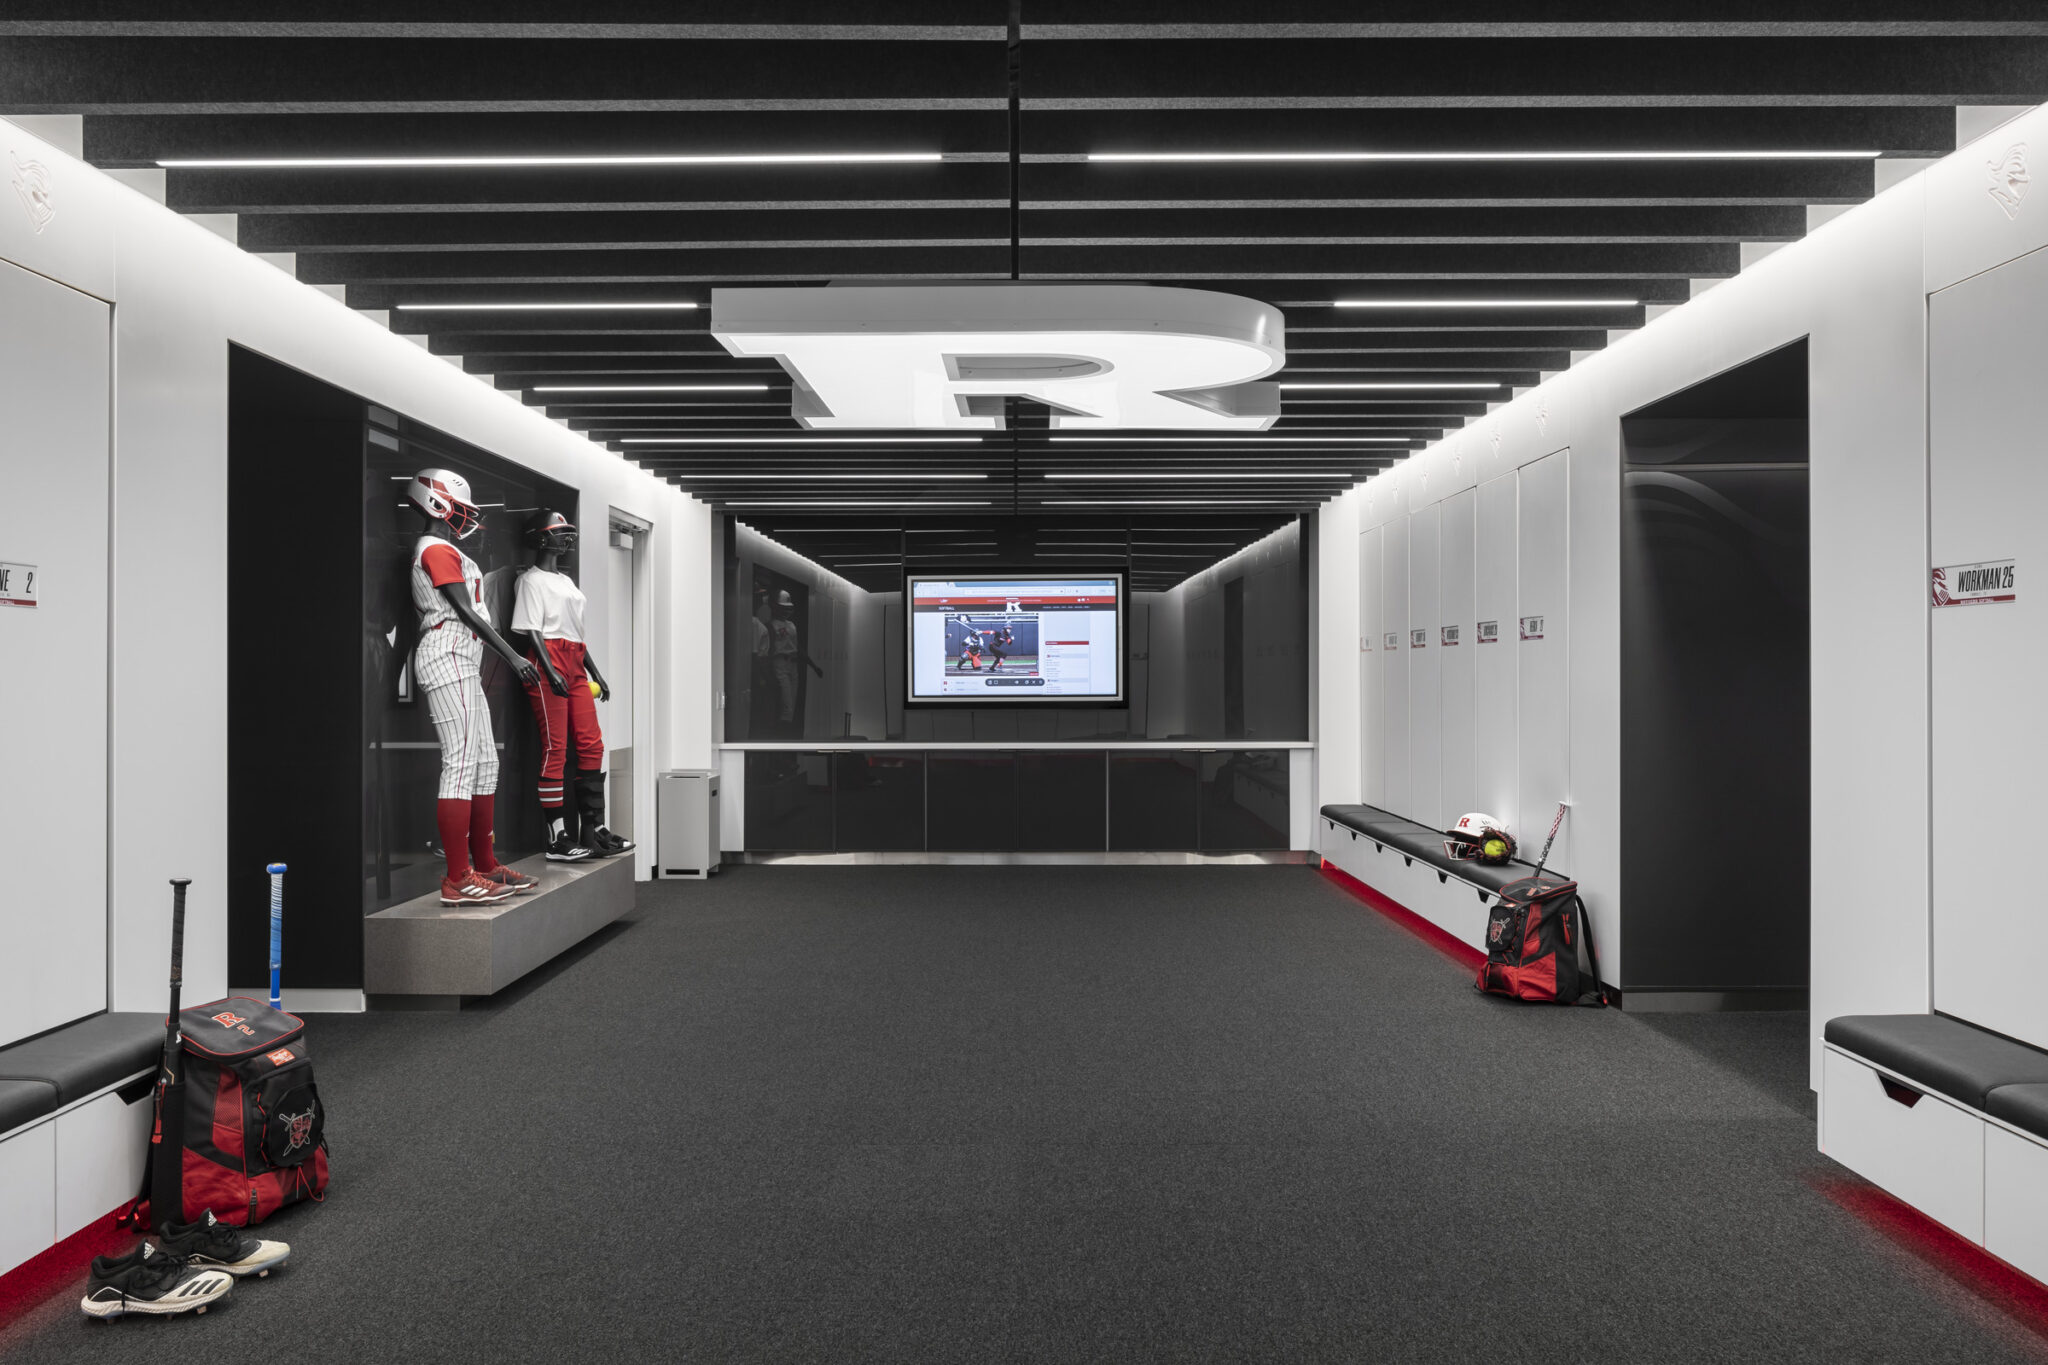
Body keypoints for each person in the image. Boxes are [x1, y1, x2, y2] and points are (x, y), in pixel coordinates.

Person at [404, 468, 543, 906]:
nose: (464, 518)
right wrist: (514, 656)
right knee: (461, 765)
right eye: (459, 509)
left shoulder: (444, 547)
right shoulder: (434, 547)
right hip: (446, 652)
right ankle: (456, 877)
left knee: (485, 763)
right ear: (436, 503)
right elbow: (467, 613)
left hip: (462, 656)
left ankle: (483, 865)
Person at [512, 510, 635, 861]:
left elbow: (576, 633)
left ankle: (593, 829)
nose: (566, 538)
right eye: (559, 532)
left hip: (575, 659)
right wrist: (550, 671)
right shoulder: (530, 580)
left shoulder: (566, 581)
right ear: (540, 537)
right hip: (547, 659)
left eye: (568, 532)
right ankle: (557, 837)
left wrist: (595, 672)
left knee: (591, 743)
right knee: (556, 748)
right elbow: (533, 629)